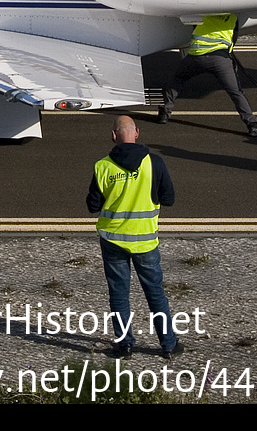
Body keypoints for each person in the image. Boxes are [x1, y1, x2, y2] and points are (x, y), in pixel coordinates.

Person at [86, 115, 181, 360]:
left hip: (113, 240)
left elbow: (92, 205)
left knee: (119, 293)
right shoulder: (155, 163)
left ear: (113, 135)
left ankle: (125, 345)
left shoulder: (102, 166)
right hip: (145, 241)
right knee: (155, 293)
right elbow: (169, 198)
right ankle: (168, 344)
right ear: (136, 132)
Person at [158, 12, 257, 136]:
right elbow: (233, 38)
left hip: (196, 55)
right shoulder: (232, 17)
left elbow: (194, 27)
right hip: (219, 59)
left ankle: (164, 113)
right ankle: (253, 125)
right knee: (236, 92)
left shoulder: (205, 13)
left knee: (178, 79)